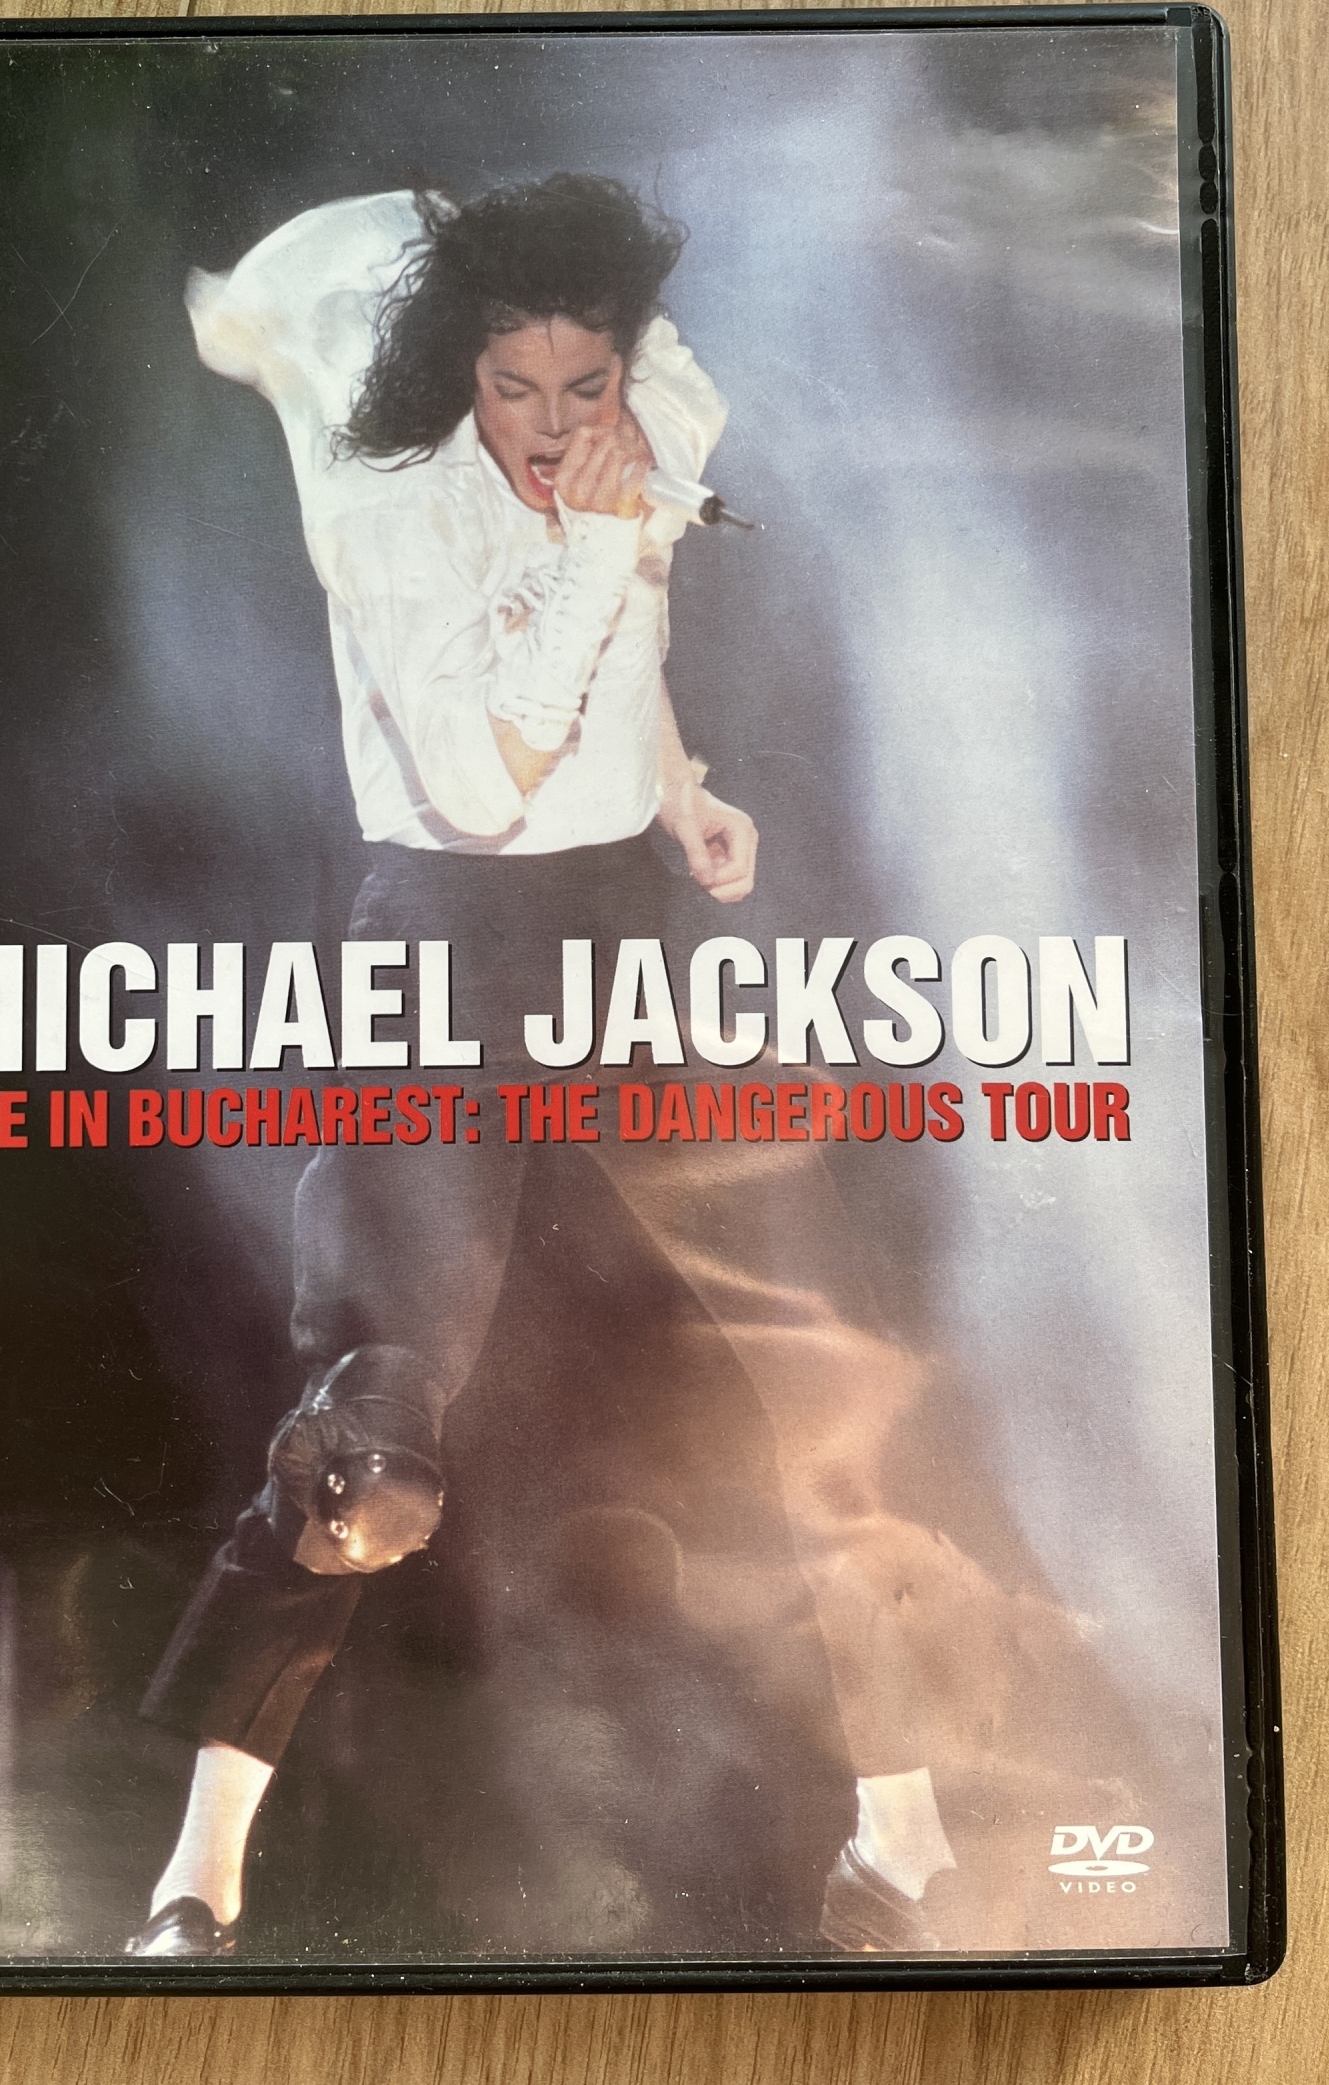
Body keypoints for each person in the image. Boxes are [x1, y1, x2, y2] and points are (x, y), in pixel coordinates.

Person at [128, 177, 957, 1959]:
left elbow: (623, 636)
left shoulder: (647, 429)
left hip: (619, 924)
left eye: (589, 387)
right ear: (462, 375)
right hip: (447, 922)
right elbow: (487, 780)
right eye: (517, 388)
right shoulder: (394, 511)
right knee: (370, 1448)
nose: (558, 424)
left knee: (814, 1369)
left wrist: (679, 790)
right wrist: (591, 544)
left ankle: (907, 1843)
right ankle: (198, 1881)